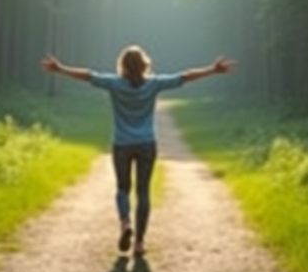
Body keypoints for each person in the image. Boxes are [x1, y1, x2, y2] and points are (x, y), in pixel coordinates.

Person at [40, 45, 235, 256]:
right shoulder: (153, 84)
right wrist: (212, 70)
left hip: (122, 144)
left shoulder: (114, 83)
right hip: (146, 144)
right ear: (144, 65)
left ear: (122, 65)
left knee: (123, 188)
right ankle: (139, 243)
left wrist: (60, 68)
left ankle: (125, 223)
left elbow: (88, 75)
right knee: (143, 192)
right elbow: (184, 77)